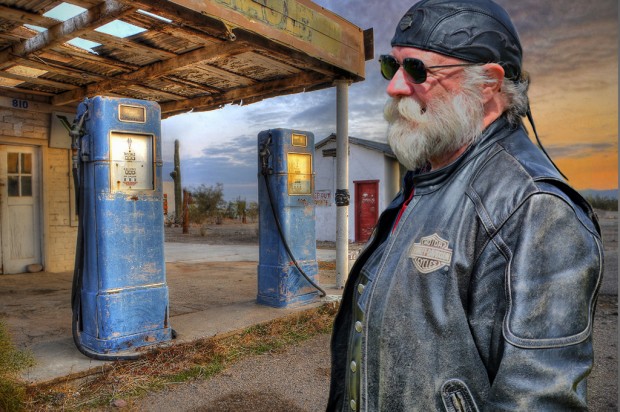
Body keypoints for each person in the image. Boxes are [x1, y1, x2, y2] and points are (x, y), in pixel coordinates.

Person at [327, 0, 604, 410]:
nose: (394, 86)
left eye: (418, 70)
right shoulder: (431, 175)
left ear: (489, 83)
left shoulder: (536, 207)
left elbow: (539, 400)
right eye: (393, 66)